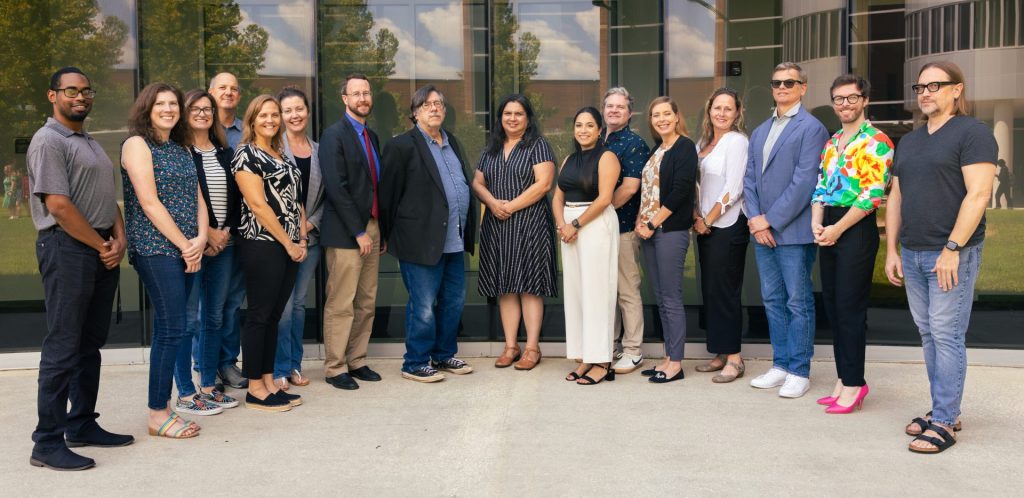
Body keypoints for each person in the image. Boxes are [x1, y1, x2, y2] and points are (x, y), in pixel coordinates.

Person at [885, 61, 997, 453]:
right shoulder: (910, 141)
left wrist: (952, 249)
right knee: (929, 333)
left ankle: (946, 420)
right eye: (920, 87)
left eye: (935, 85)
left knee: (947, 335)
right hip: (913, 252)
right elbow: (896, 196)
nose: (926, 92)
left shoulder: (973, 133)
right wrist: (891, 249)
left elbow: (979, 195)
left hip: (951, 254)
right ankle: (942, 409)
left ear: (956, 89)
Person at [27, 67, 133, 471]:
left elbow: (106, 198)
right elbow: (58, 205)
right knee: (63, 347)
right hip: (66, 248)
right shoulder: (48, 140)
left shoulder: (87, 141)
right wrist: (101, 243)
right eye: (71, 90)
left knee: (89, 344)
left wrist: (118, 238)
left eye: (87, 91)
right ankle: (47, 443)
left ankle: (82, 423)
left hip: (98, 246)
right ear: (52, 95)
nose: (81, 96)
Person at [121, 83, 209, 437]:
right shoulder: (136, 144)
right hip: (156, 249)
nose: (169, 109)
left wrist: (201, 239)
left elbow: (199, 197)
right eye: (161, 103)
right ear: (147, 107)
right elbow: (148, 202)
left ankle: (165, 407)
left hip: (187, 248)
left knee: (173, 328)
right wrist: (186, 245)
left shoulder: (182, 147)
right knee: (172, 327)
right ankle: (158, 413)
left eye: (174, 103)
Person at [380, 85, 477, 383]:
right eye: (426, 104)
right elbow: (388, 196)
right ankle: (415, 362)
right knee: (423, 306)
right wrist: (387, 234)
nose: (434, 108)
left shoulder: (454, 142)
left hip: (454, 240)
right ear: (415, 112)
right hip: (419, 241)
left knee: (453, 302)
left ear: (445, 111)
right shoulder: (402, 146)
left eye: (438, 104)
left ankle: (444, 354)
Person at [743, 62, 829, 398]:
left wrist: (769, 220)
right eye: (777, 82)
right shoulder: (761, 129)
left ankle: (799, 369)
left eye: (790, 83)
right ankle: (780, 364)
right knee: (772, 300)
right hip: (762, 231)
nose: (782, 87)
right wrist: (755, 219)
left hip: (793, 232)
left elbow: (805, 182)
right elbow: (749, 179)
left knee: (798, 301)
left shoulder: (812, 128)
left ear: (803, 87)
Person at [811, 74, 894, 414]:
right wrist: (817, 224)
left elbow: (871, 196)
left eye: (851, 97)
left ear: (864, 100)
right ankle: (844, 378)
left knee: (850, 309)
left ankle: (855, 383)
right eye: (839, 98)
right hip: (828, 226)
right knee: (833, 307)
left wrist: (837, 229)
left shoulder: (877, 141)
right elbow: (820, 188)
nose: (844, 104)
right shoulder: (831, 143)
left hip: (855, 229)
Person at [233, 95, 307, 411]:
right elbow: (258, 206)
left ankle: (267, 381)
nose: (271, 120)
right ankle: (254, 389)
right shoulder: (246, 154)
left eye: (275, 114)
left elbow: (294, 201)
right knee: (259, 316)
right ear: (251, 120)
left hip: (289, 245)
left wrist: (301, 238)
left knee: (274, 315)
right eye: (263, 115)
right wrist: (288, 243)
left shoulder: (279, 152)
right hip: (262, 243)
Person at [472, 94, 557, 370]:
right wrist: (493, 203)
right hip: (497, 227)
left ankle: (532, 348)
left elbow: (543, 184)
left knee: (530, 286)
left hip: (531, 225)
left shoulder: (538, 146)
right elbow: (477, 183)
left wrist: (509, 207)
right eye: (507, 113)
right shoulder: (492, 149)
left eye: (518, 113)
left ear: (528, 118)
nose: (512, 118)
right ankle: (511, 346)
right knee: (505, 286)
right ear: (500, 118)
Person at [172, 88, 241, 414]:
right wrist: (208, 233)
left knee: (213, 317)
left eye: (207, 109)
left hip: (224, 245)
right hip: (193, 245)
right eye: (195, 108)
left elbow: (235, 198)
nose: (202, 113)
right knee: (187, 320)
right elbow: (182, 201)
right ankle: (186, 392)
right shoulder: (180, 152)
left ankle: (209, 387)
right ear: (185, 113)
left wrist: (224, 232)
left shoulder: (224, 151)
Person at [318, 74, 385, 390]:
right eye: (356, 93)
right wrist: (359, 231)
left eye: (366, 93)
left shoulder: (371, 136)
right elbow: (337, 187)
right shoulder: (334, 135)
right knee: (342, 301)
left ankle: (357, 360)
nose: (363, 98)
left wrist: (377, 229)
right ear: (344, 98)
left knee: (366, 300)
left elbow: (374, 186)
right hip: (348, 232)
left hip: (371, 228)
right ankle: (335, 367)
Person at [554, 107, 621, 386]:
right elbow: (557, 196)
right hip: (569, 228)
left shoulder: (607, 157)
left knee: (597, 293)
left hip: (594, 226)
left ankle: (602, 360)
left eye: (589, 125)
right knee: (577, 293)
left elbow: (605, 198)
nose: (583, 130)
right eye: (578, 125)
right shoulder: (569, 158)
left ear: (599, 130)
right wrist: (562, 225)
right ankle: (584, 356)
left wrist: (576, 225)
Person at [634, 97, 697, 384]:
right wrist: (641, 223)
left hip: (669, 230)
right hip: (648, 232)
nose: (661, 119)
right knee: (660, 296)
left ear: (676, 116)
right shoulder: (657, 150)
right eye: (655, 115)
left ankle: (676, 363)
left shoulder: (684, 146)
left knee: (671, 297)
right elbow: (648, 193)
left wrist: (651, 223)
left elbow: (681, 192)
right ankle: (668, 356)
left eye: (666, 114)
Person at [693, 87, 750, 383]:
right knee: (711, 290)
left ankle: (735, 358)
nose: (722, 113)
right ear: (709, 110)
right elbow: (695, 186)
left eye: (729, 108)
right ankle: (720, 352)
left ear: (737, 113)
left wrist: (709, 219)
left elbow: (734, 186)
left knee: (726, 291)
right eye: (717, 107)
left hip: (727, 225)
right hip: (704, 226)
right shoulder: (703, 142)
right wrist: (696, 218)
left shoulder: (737, 141)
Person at [273, 86, 323, 390]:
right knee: (284, 307)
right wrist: (293, 230)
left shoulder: (319, 150)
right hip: (279, 240)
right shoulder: (273, 150)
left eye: (299, 109)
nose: (294, 115)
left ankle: (294, 364)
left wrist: (311, 225)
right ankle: (278, 366)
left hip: (312, 239)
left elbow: (328, 198)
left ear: (307, 111)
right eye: (287, 110)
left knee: (300, 304)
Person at [601, 87, 651, 374]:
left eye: (620, 107)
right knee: (605, 291)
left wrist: (599, 214)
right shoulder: (596, 140)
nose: (614, 110)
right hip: (598, 231)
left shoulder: (634, 143)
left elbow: (630, 187)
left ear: (630, 113)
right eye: (610, 106)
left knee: (626, 290)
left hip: (621, 228)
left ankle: (633, 349)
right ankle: (609, 345)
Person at [208, 72, 247, 390]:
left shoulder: (246, 133)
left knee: (232, 302)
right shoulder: (197, 131)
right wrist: (208, 231)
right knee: (206, 307)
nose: (228, 93)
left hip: (239, 233)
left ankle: (227, 363)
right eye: (222, 87)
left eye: (234, 88)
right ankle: (205, 368)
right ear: (210, 93)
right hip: (205, 235)